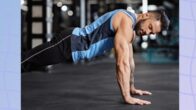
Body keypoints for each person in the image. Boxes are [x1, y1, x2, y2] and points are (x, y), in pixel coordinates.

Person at [22, 9, 170, 105]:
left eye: (152, 33)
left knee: (29, 65)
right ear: (146, 15)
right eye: (150, 27)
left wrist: (131, 87)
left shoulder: (131, 31)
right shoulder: (126, 21)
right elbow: (121, 63)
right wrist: (126, 97)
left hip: (72, 51)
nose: (147, 32)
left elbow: (130, 62)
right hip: (69, 43)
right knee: (24, 62)